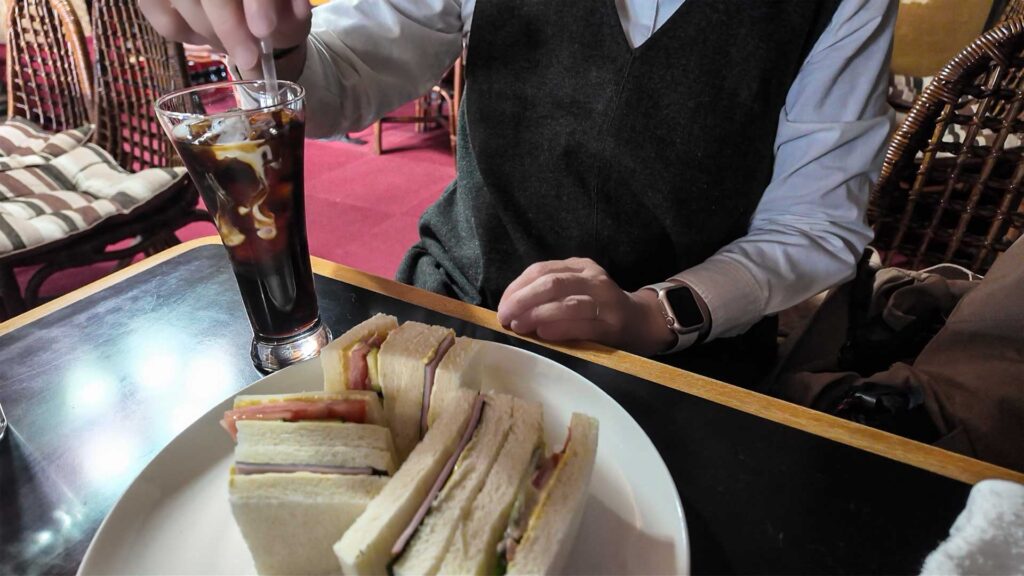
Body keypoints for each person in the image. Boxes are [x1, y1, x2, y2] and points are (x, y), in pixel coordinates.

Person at [141, 0, 896, 385]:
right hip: (458, 305)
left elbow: (814, 224)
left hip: (684, 361)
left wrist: (654, 315)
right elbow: (342, 76)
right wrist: (277, 42)